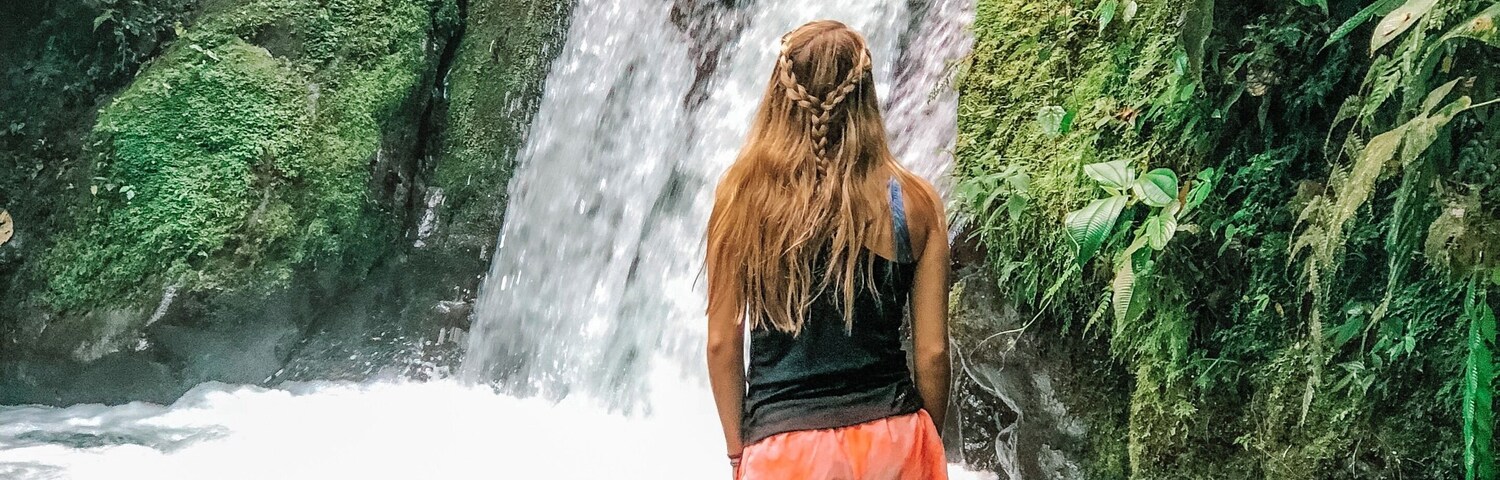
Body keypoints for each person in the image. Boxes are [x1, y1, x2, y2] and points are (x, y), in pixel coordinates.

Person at [704, 20, 952, 480]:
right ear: (865, 97)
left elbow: (721, 344)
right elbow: (933, 351)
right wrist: (923, 441)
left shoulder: (741, 197)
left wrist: (739, 452)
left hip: (783, 449)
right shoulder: (914, 203)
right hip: (892, 436)